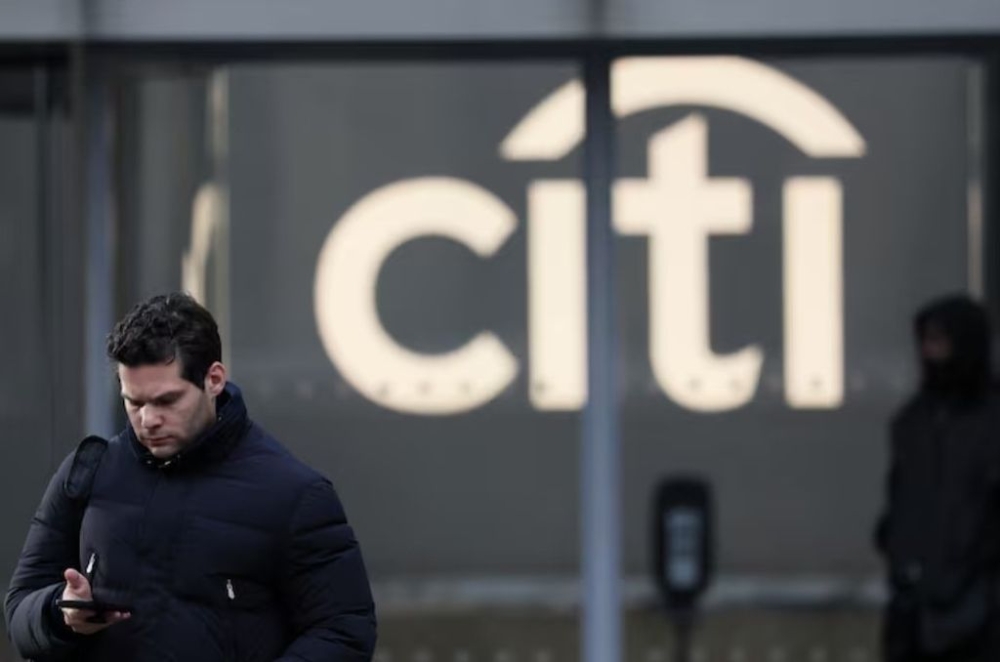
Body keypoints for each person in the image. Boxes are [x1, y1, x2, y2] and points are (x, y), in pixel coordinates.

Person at [4, 292, 377, 661]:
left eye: (167, 401)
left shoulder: (295, 494)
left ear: (213, 379)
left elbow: (344, 632)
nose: (148, 420)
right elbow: (20, 609)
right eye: (134, 402)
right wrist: (60, 613)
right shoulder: (89, 471)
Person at [875, 294, 1000, 661]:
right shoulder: (912, 423)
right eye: (926, 342)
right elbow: (901, 498)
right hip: (916, 608)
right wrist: (897, 549)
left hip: (983, 607)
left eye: (941, 342)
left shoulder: (992, 420)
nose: (931, 352)